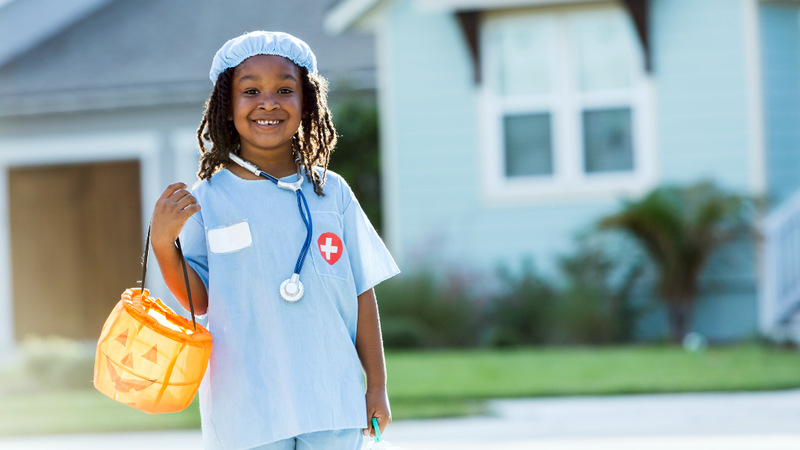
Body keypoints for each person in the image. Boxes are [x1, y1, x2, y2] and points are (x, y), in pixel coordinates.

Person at [149, 31, 400, 450]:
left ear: (307, 103)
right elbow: (201, 302)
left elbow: (361, 294)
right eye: (250, 91)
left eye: (285, 89)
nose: (268, 102)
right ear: (227, 108)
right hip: (246, 407)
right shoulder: (207, 199)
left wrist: (377, 386)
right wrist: (163, 246)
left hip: (330, 399)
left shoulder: (332, 193)